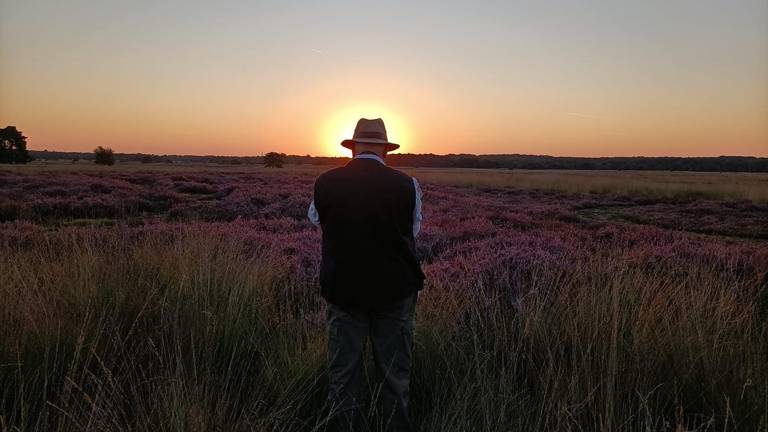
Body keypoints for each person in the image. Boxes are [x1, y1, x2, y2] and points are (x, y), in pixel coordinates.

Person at [308, 118, 425, 431]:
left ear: (354, 147)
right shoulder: (407, 184)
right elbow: (412, 230)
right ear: (385, 150)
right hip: (396, 292)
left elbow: (316, 219)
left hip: (343, 291)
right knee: (395, 378)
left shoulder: (325, 182)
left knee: (343, 377)